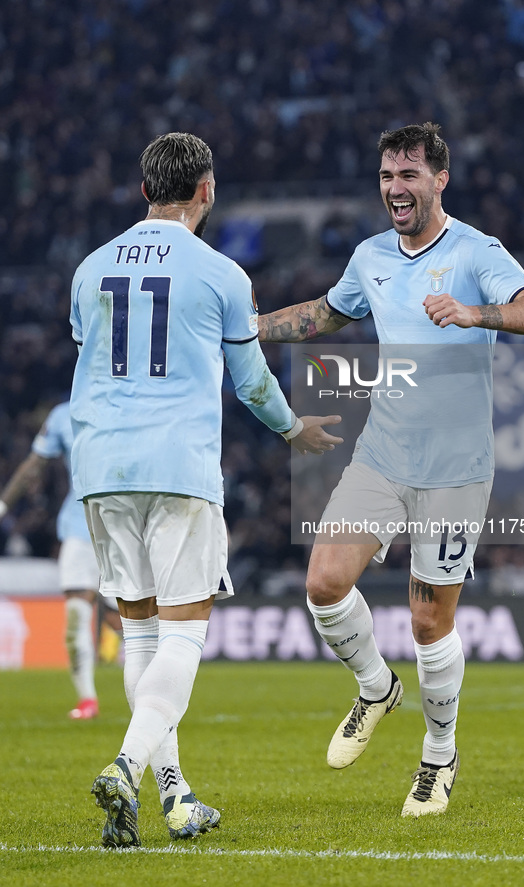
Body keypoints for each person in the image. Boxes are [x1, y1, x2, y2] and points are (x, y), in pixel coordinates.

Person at [258, 122, 524, 817]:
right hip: (384, 453)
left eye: (408, 176)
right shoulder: (369, 257)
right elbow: (323, 316)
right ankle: (374, 687)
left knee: (429, 625)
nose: (395, 188)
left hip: (455, 469)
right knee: (324, 583)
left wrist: (473, 311)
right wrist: (248, 324)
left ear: (438, 180)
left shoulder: (475, 252)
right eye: (387, 176)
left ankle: (438, 753)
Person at [69, 131, 342, 848]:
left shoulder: (89, 267)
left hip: (99, 468)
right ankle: (127, 764)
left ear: (142, 189)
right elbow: (251, 382)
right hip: (177, 465)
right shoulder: (221, 273)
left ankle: (175, 796)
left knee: (139, 633)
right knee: (185, 632)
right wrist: (292, 430)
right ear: (207, 191)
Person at [0, 401, 121, 719]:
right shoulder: (62, 414)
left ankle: (156, 693)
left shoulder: (133, 401)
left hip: (124, 530)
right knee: (76, 616)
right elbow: (33, 466)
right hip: (79, 528)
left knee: (121, 619)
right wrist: (3, 505)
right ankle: (87, 700)